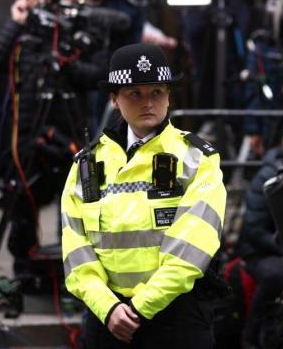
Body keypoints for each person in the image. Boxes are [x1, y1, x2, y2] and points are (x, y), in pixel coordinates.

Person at [61, 44, 226, 347]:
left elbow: (191, 251)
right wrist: (108, 308)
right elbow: (76, 251)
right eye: (134, 93)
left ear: (168, 96)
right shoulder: (87, 164)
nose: (148, 102)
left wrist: (138, 308)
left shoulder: (197, 159)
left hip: (176, 317)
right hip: (107, 320)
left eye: (157, 92)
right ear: (114, 99)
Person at [0, 0, 103, 271]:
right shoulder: (18, 35)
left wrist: (62, 63)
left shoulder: (70, 32)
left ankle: (76, 274)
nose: (42, 1)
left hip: (68, 131)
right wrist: (15, 24)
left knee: (76, 204)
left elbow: (95, 76)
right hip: (27, 136)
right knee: (23, 206)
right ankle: (23, 273)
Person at [238, 128, 283, 348]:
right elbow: (254, 227)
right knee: (276, 275)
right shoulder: (267, 176)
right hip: (262, 250)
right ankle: (250, 336)